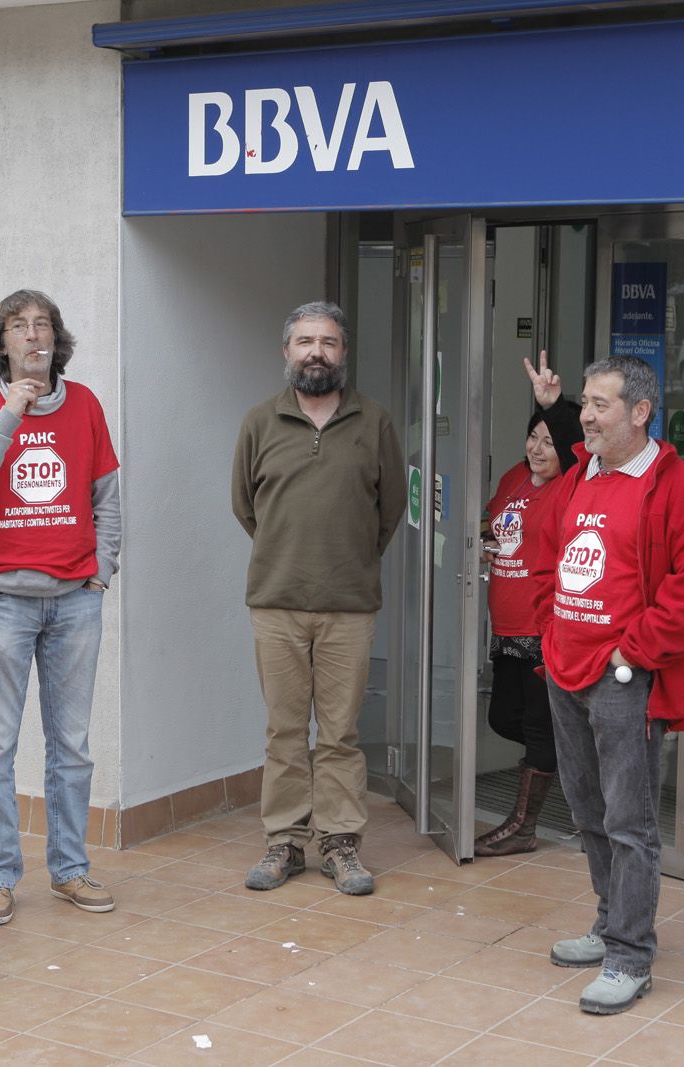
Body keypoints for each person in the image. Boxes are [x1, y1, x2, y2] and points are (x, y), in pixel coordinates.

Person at [535, 356, 684, 1014]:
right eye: (583, 403)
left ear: (640, 411)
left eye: (600, 404)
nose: (586, 415)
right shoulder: (582, 475)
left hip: (623, 675)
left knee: (628, 821)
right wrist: (549, 631)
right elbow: (552, 551)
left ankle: (630, 954)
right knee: (587, 809)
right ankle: (608, 919)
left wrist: (634, 651)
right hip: (567, 666)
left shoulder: (675, 486)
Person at [0, 289, 120, 925]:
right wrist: (7, 417)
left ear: (57, 339)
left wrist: (102, 573)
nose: (33, 336)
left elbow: (107, 498)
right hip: (1, 603)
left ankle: (70, 870)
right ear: (2, 342)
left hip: (74, 601)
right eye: (19, 327)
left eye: (43, 325)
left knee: (71, 745)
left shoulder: (87, 405)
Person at [233, 300, 406, 896]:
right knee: (284, 732)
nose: (316, 352)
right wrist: (290, 551)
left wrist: (345, 558)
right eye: (305, 341)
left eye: (328, 342)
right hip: (276, 602)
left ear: (343, 353)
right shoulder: (260, 421)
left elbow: (390, 510)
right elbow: (245, 506)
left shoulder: (374, 421)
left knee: (339, 734)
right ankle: (283, 842)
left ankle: (340, 845)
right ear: (287, 352)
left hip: (349, 605)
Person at [474, 351, 583, 856]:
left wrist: (553, 405)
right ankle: (575, 760)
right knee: (504, 718)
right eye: (533, 437)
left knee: (539, 725)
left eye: (550, 441)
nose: (539, 448)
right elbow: (493, 524)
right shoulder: (514, 478)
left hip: (544, 626)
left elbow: (575, 446)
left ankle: (523, 827)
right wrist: (484, 541)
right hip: (507, 624)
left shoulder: (574, 486)